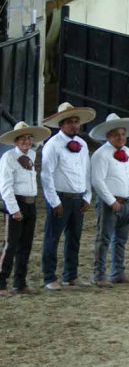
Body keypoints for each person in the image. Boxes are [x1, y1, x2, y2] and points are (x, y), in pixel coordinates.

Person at [41, 102, 96, 290]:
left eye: (76, 122)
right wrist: (54, 201)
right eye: (70, 122)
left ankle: (70, 275)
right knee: (52, 238)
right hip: (60, 197)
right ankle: (49, 277)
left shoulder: (82, 144)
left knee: (74, 238)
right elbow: (46, 175)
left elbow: (87, 172)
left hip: (78, 197)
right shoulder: (53, 145)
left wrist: (87, 196)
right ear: (61, 124)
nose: (74, 125)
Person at [89, 113, 129, 287]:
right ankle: (99, 275)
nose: (121, 138)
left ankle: (118, 272)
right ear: (108, 136)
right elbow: (97, 181)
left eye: (122, 134)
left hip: (127, 201)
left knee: (121, 239)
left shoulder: (128, 152)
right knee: (104, 239)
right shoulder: (101, 154)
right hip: (111, 203)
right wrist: (111, 201)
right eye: (116, 134)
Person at [0, 122, 51, 296]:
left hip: (31, 203)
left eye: (29, 138)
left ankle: (19, 282)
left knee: (26, 245)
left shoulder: (32, 155)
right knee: (11, 244)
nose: (26, 141)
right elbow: (5, 186)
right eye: (22, 138)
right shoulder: (8, 158)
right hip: (16, 203)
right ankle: (1, 283)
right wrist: (14, 209)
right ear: (16, 141)